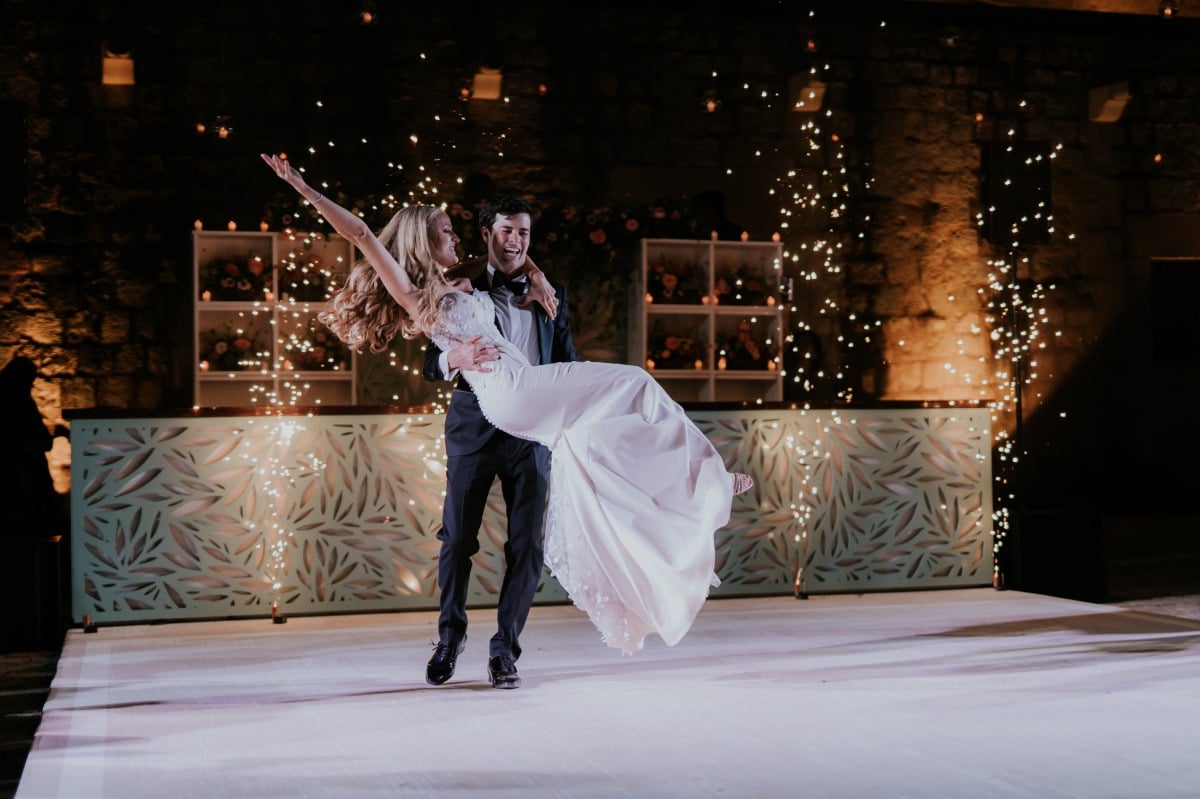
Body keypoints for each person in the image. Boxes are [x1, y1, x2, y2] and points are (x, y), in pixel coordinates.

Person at [260, 154, 753, 676]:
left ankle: (690, 486)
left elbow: (517, 265)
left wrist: (537, 275)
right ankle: (708, 478)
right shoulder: (419, 293)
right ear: (425, 242)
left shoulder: (470, 283)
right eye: (447, 232)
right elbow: (360, 233)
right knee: (634, 382)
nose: (455, 240)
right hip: (506, 396)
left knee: (605, 433)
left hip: (523, 400)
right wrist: (303, 187)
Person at [420, 194, 578, 690]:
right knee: (457, 540)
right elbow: (431, 364)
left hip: (531, 434)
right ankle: (450, 637)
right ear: (488, 233)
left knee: (526, 546)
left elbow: (568, 364)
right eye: (507, 231)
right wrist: (456, 359)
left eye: (524, 233)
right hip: (474, 430)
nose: (516, 241)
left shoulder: (549, 295)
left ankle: (505, 651)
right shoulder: (459, 289)